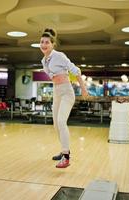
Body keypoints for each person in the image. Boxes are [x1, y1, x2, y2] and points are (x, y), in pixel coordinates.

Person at [40, 28, 88, 168]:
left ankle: (66, 157)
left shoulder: (59, 56)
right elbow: (53, 76)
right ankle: (63, 150)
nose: (43, 44)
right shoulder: (44, 61)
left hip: (67, 91)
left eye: (47, 42)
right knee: (56, 125)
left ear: (52, 44)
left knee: (61, 121)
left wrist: (83, 88)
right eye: (42, 42)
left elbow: (76, 71)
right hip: (56, 92)